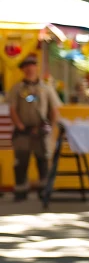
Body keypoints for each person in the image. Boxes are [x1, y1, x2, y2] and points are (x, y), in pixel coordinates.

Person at [8, 54, 61, 201]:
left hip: (41, 130)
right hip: (23, 131)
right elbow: (12, 109)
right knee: (21, 161)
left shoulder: (45, 88)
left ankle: (44, 191)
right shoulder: (17, 88)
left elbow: (54, 109)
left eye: (32, 66)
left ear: (36, 68)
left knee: (42, 161)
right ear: (23, 69)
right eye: (27, 66)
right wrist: (19, 125)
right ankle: (20, 191)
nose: (30, 69)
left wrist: (50, 125)